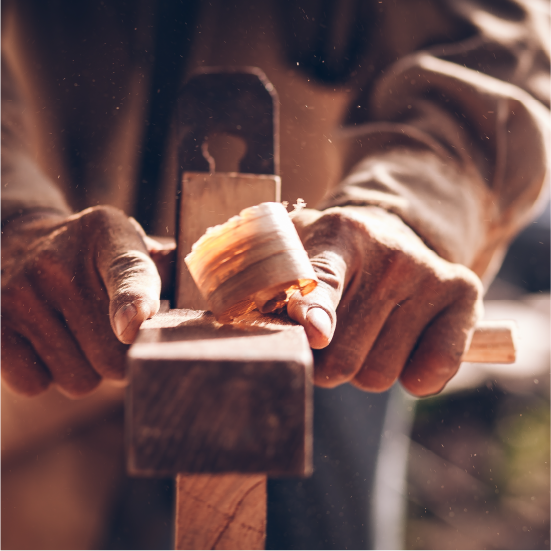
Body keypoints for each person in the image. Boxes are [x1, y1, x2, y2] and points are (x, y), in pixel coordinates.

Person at [0, 0, 550, 549]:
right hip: (46, 315)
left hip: (333, 315)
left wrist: (411, 210)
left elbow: (493, 49)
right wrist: (12, 221)